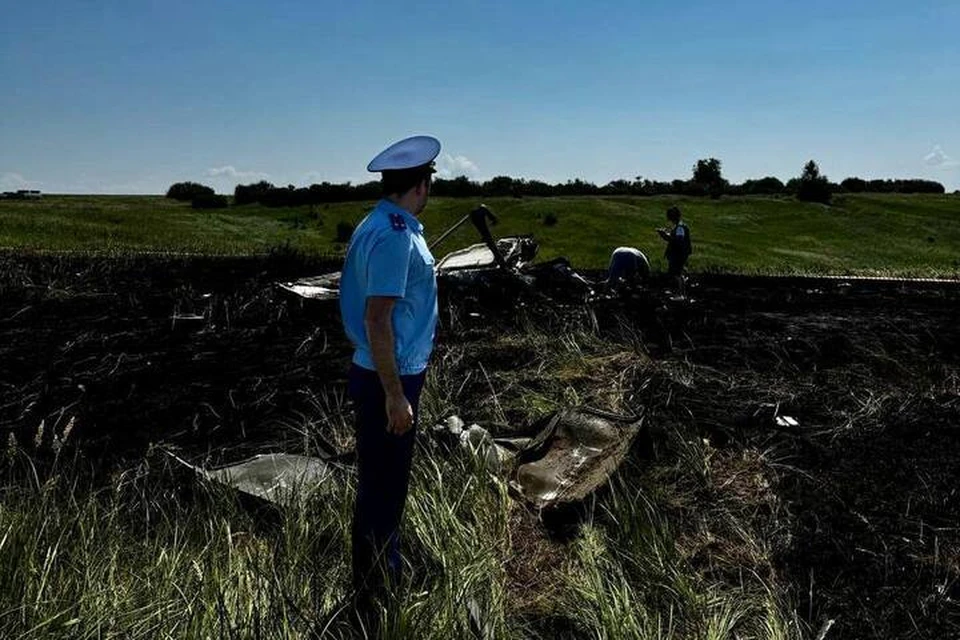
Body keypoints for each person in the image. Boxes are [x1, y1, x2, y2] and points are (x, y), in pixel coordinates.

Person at [338, 135, 441, 615]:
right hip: (389, 377)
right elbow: (377, 319)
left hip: (383, 373)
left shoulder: (378, 223)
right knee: (385, 488)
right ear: (420, 185)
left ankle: (375, 582)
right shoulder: (396, 236)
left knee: (379, 484)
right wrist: (395, 395)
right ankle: (377, 594)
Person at [657, 205, 692, 295]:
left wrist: (664, 235)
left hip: (678, 255)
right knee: (678, 273)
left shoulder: (680, 228)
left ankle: (680, 293)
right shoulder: (679, 226)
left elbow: (678, 241)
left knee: (676, 274)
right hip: (679, 254)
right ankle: (680, 292)